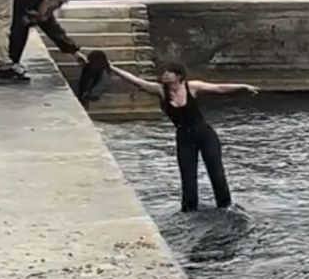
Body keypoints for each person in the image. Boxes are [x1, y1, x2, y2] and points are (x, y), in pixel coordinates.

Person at [109, 60, 259, 212]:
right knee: (188, 177)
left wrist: (243, 87)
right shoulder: (160, 90)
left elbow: (219, 88)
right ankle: (189, 210)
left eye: (169, 72)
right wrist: (113, 68)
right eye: (164, 72)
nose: (165, 74)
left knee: (216, 173)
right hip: (184, 138)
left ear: (179, 75)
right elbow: (137, 82)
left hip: (205, 135)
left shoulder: (192, 87)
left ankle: (225, 206)